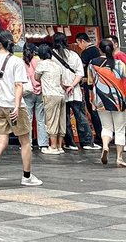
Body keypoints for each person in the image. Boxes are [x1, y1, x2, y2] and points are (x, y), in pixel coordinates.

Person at [0, 31, 42, 187]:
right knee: (25, 141)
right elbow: (19, 85)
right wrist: (16, 106)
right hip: (14, 106)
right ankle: (26, 176)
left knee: (1, 139)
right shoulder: (16, 61)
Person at [52, 33, 99, 151]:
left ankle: (70, 143)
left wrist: (63, 85)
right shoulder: (73, 55)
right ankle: (87, 142)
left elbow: (52, 74)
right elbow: (80, 73)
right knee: (81, 116)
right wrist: (72, 85)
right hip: (75, 91)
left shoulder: (52, 56)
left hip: (60, 91)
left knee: (65, 118)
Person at [89, 38, 126, 167]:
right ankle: (119, 158)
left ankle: (105, 146)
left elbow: (90, 82)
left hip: (100, 99)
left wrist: (91, 99)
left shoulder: (93, 63)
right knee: (120, 130)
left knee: (106, 127)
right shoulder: (120, 64)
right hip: (118, 100)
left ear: (100, 49)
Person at [34, 43, 67, 153]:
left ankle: (52, 147)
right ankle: (60, 146)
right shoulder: (57, 65)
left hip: (50, 95)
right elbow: (62, 80)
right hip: (61, 94)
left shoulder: (41, 64)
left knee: (51, 120)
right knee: (61, 120)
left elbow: (36, 77)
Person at [76, 32, 103, 140]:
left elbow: (80, 70)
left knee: (93, 109)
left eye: (78, 43)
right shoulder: (97, 50)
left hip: (90, 85)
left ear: (82, 41)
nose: (79, 46)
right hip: (100, 84)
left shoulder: (86, 53)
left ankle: (100, 134)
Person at [22, 43, 47, 150]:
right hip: (40, 92)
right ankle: (43, 144)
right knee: (41, 120)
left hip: (27, 92)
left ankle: (28, 143)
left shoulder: (21, 62)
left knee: (28, 119)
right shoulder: (38, 61)